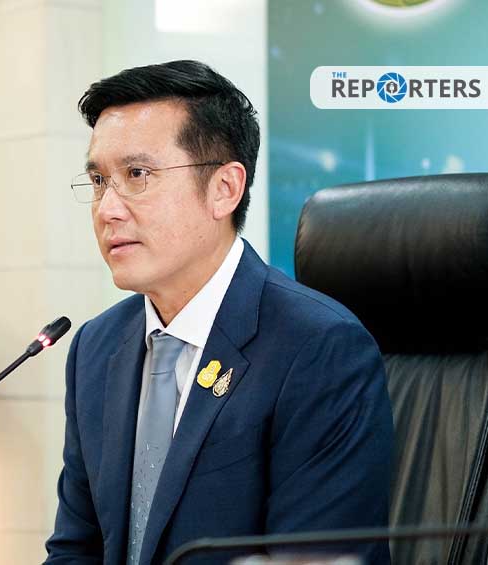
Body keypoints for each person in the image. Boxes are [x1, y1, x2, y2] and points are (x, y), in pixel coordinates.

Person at [44, 60, 393, 565]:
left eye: (137, 175)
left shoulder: (319, 348)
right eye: (99, 180)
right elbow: (76, 548)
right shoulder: (96, 347)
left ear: (225, 189)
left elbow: (314, 557)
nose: (107, 209)